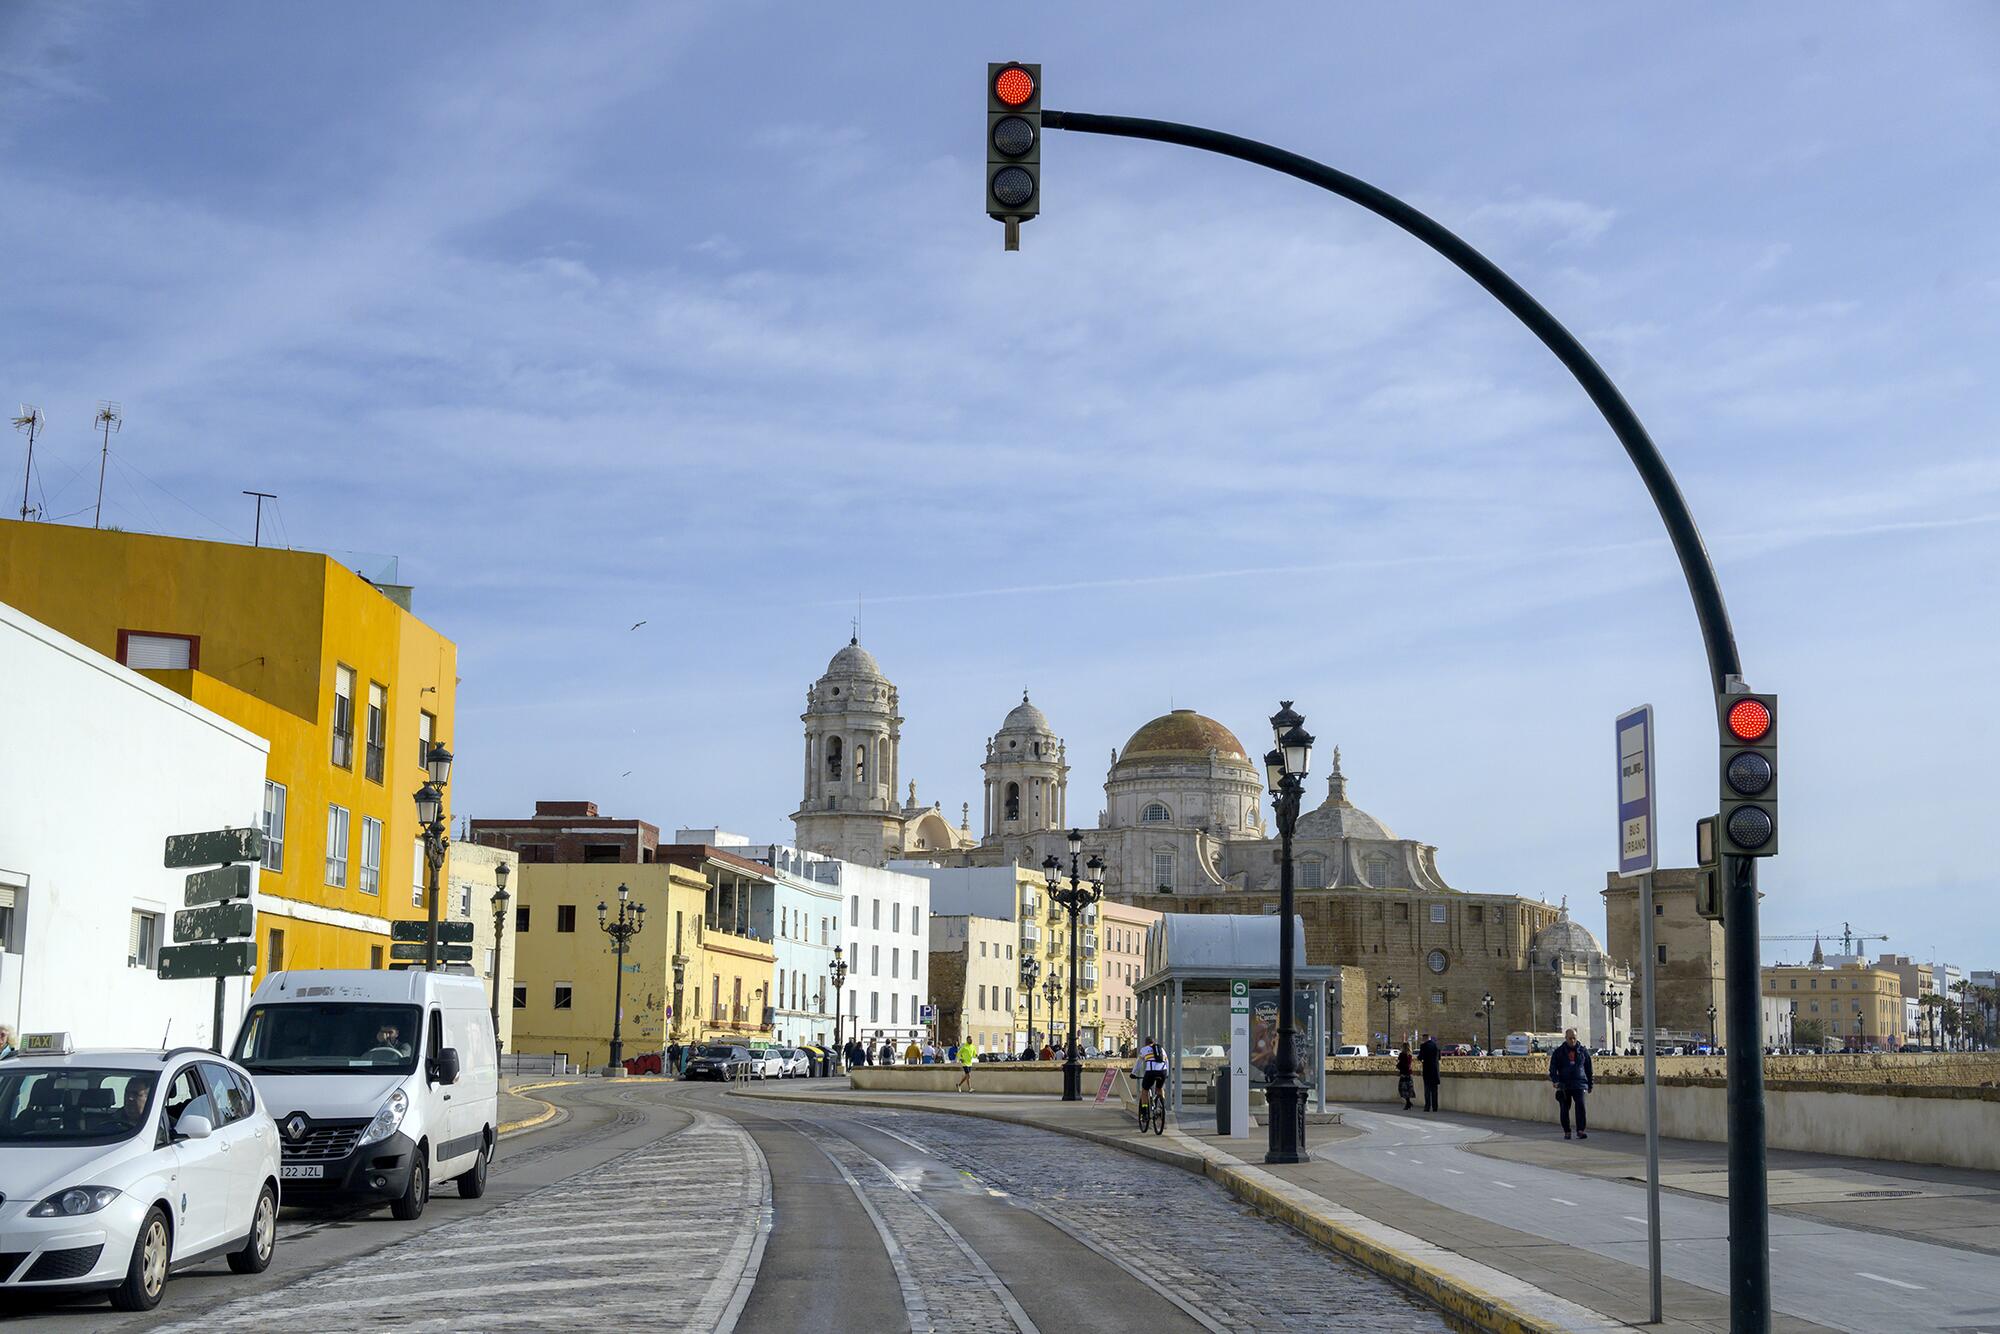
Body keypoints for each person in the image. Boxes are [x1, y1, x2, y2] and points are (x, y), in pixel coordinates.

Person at [1548, 1027, 1594, 1139]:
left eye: (1574, 1038)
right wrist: (1556, 1081)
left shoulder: (1583, 1051)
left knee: (1581, 1106)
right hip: (1564, 1084)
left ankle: (1580, 1130)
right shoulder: (1559, 1052)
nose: (1572, 1040)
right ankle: (1567, 1131)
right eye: (1570, 1038)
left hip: (1579, 1083)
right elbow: (1553, 1068)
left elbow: (1589, 1069)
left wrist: (1590, 1084)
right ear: (1566, 1038)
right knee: (1564, 1108)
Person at [1133, 1035, 1169, 1110]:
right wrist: (1167, 1074)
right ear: (1154, 1042)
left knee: (1145, 1090)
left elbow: (1138, 1063)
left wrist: (1133, 1073)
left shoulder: (1144, 1049)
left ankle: (1144, 1109)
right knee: (1159, 1088)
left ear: (1146, 1043)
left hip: (1151, 1072)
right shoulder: (1161, 1049)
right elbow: (1167, 1061)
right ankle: (1162, 1105)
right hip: (1163, 1071)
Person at [1419, 1032, 1442, 1113]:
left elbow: (1420, 1057)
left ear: (1424, 1038)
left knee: (1427, 1090)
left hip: (1427, 1070)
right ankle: (1435, 1107)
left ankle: (1427, 1106)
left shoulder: (1423, 1046)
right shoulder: (1436, 1045)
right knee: (1434, 1090)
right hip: (1435, 1070)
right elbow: (1439, 1057)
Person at [1396, 1043, 1415, 1109]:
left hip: (1404, 1074)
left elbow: (1401, 1063)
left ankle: (1408, 1103)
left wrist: (1398, 1066)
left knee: (1402, 1089)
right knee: (1408, 1089)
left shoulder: (1402, 1055)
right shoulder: (1409, 1055)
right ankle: (1408, 1103)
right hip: (1408, 1073)